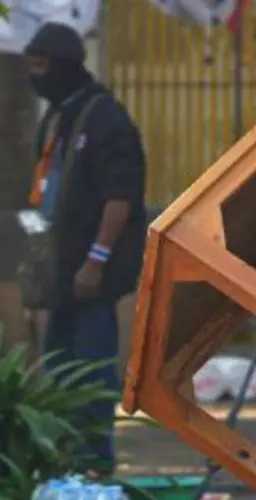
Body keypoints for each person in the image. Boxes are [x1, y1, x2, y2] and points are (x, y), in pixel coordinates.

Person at [23, 23, 147, 473]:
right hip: (58, 276)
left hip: (89, 278)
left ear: (67, 67)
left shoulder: (104, 117)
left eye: (41, 67)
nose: (34, 77)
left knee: (91, 375)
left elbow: (121, 196)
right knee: (58, 376)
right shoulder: (57, 118)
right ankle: (65, 467)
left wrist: (96, 260)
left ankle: (96, 468)